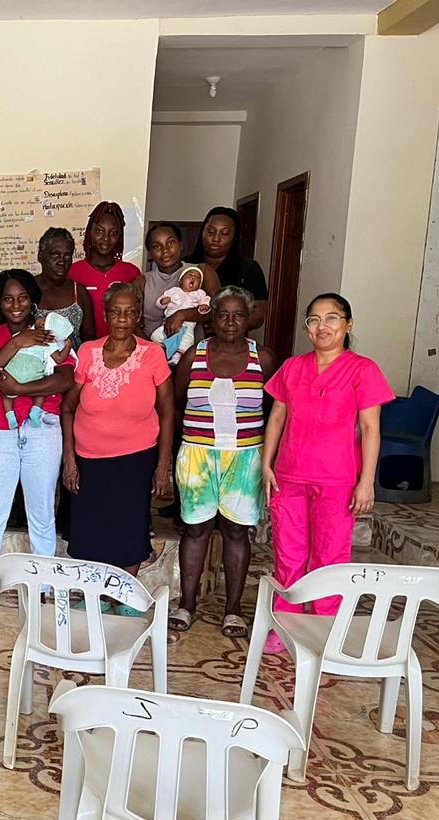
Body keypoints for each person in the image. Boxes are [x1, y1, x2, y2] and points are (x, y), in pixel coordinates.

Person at [263, 293, 394, 645]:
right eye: (314, 319)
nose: (323, 326)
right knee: (288, 555)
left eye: (332, 318)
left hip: (337, 479)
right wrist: (266, 464)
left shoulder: (363, 370)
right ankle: (285, 626)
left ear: (348, 325)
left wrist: (366, 482)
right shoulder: (293, 367)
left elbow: (370, 428)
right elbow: (277, 416)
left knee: (330, 558)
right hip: (289, 476)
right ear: (307, 328)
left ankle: (324, 630)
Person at [0, 270, 74, 621]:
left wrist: (20, 390)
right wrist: (17, 343)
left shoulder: (50, 332)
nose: (16, 305)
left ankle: (44, 589)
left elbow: (65, 378)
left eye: (23, 297)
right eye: (8, 299)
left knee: (41, 513)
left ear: (33, 301)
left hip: (43, 432)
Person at [171, 287, 275, 639]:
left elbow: (275, 412)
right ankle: (187, 604)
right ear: (212, 319)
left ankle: (233, 609)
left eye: (238, 315)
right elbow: (177, 402)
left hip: (245, 458)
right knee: (195, 529)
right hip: (197, 456)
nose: (230, 322)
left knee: (236, 531)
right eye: (223, 315)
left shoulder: (264, 358)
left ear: (249, 319)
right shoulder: (193, 356)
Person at [60, 283, 173, 589]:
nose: (122, 319)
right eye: (115, 312)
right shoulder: (88, 352)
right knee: (90, 528)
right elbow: (67, 408)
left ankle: (123, 593)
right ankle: (93, 591)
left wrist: (163, 464)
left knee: (130, 527)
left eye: (130, 312)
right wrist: (69, 459)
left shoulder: (152, 355)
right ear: (105, 315)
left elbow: (167, 412)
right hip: (89, 458)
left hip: (137, 458)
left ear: (138, 316)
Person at [68, 201, 141, 340]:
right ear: (89, 232)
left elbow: (137, 318)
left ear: (120, 237)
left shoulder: (131, 272)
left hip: (123, 348)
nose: (106, 238)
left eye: (113, 233)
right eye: (99, 231)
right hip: (84, 349)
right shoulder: (73, 272)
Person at [189, 206, 269, 331]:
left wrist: (224, 327)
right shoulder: (186, 265)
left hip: (230, 339)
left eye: (224, 233)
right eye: (210, 231)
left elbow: (258, 316)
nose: (215, 239)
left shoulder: (249, 268)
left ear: (234, 238)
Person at [135, 222, 219, 341]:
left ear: (180, 245)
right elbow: (132, 323)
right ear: (150, 253)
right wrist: (153, 348)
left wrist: (182, 315)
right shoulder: (142, 281)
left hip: (191, 348)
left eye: (171, 243)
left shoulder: (202, 272)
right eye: (156, 246)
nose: (165, 250)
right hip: (151, 345)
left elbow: (219, 310)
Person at [1, 310, 73, 429]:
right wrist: (67, 347)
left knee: (5, 392)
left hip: (17, 365)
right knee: (41, 391)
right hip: (34, 368)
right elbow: (59, 358)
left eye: (44, 318)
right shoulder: (48, 341)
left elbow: (14, 342)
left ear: (43, 325)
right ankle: (35, 410)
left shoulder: (26, 333)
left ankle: (10, 415)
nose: (41, 317)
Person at [34, 227, 92, 346]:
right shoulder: (26, 290)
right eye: (56, 255)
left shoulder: (79, 292)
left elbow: (89, 343)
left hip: (74, 357)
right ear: (40, 256)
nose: (62, 262)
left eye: (67, 256)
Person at [152, 265, 210, 366]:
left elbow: (206, 301)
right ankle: (162, 348)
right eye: (190, 276)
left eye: (197, 278)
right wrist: (163, 301)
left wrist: (204, 306)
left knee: (187, 340)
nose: (193, 278)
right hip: (169, 322)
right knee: (156, 335)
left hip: (188, 323)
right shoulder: (173, 291)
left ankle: (177, 355)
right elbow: (159, 303)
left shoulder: (199, 293)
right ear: (180, 281)